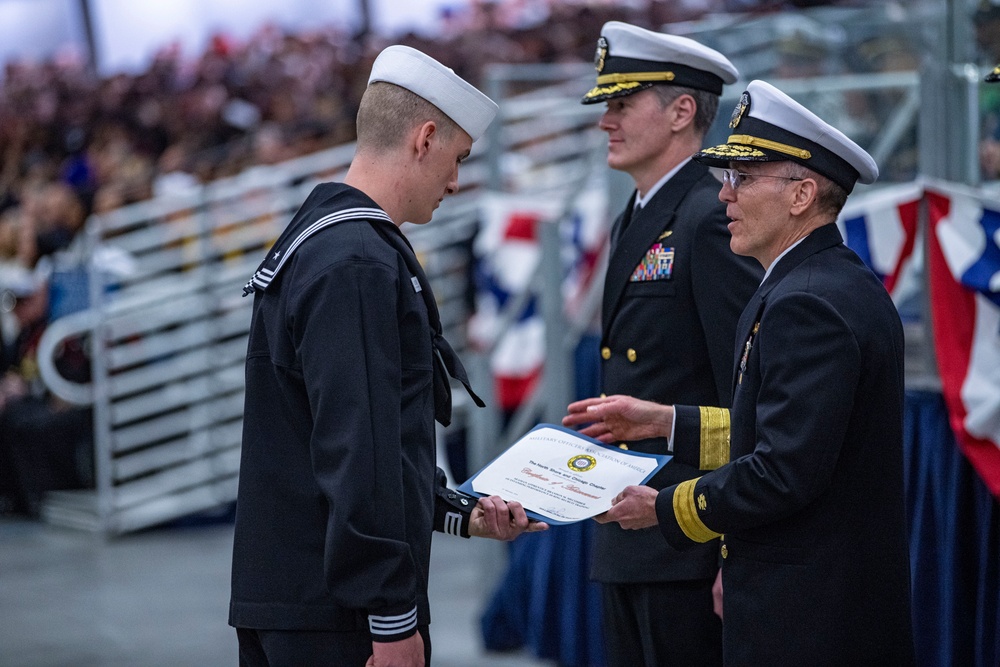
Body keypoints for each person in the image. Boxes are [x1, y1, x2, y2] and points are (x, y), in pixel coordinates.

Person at [564, 80, 915, 665]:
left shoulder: (810, 303)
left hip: (810, 612)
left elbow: (783, 469)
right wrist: (665, 420)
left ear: (802, 194)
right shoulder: (810, 283)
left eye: (743, 179)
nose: (725, 195)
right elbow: (774, 433)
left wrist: (664, 507)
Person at [229, 45, 547, 667]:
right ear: (425, 139)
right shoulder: (357, 263)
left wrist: (462, 513)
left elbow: (355, 444)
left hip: (298, 598)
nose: (455, 182)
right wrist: (392, 619)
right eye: (456, 159)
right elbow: (360, 450)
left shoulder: (322, 237)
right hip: (339, 616)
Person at [577, 21, 762, 666]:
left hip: (688, 539)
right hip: (636, 529)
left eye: (623, 103)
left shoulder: (710, 217)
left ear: (683, 111)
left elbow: (749, 399)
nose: (607, 120)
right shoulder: (646, 210)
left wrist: (728, 548)